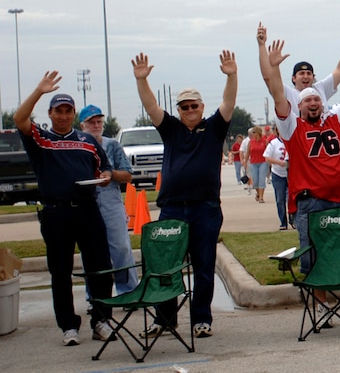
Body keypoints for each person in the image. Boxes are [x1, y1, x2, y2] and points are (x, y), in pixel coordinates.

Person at [261, 28, 340, 321]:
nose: (313, 103)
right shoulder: (291, 127)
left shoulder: (336, 120)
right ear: (298, 106)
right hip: (310, 203)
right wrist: (274, 66)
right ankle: (322, 307)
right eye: (306, 101)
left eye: (316, 99)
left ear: (322, 102)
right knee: (313, 258)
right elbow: (277, 95)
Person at [132, 50, 237, 339]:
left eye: (193, 105)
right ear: (178, 110)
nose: (189, 110)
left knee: (203, 266)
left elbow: (228, 103)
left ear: (202, 107)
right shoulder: (171, 129)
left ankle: (201, 319)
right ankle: (165, 319)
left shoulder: (214, 128)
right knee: (165, 267)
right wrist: (142, 80)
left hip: (205, 209)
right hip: (172, 209)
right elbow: (151, 105)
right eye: (184, 107)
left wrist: (232, 75)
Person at [15, 80, 115, 346]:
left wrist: (104, 177)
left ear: (74, 114)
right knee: (60, 272)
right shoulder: (41, 138)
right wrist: (38, 91)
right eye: (58, 111)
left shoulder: (87, 141)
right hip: (56, 213)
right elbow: (19, 118)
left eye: (68, 111)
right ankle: (68, 326)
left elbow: (103, 168)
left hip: (88, 210)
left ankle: (101, 320)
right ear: (50, 114)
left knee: (101, 267)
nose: (63, 115)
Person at [79, 105, 139, 296]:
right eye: (91, 122)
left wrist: (110, 174)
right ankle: (94, 295)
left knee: (121, 247)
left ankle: (128, 290)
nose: (96, 125)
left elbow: (128, 174)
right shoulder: (78, 145)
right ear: (82, 125)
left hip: (111, 201)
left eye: (99, 122)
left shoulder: (112, 145)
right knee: (90, 252)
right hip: (87, 202)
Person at [256, 21, 340, 111]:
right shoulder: (287, 93)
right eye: (301, 73)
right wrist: (261, 45)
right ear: (294, 78)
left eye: (309, 73)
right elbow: (268, 78)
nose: (306, 76)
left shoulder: (320, 89)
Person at [263, 126, 290, 230]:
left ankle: (293, 219)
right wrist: (279, 163)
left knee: (291, 198)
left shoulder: (291, 140)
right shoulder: (273, 143)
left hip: (290, 174)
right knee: (280, 199)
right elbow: (267, 157)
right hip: (278, 174)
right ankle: (283, 222)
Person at [246, 126, 269, 203]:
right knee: (255, 181)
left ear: (258, 133)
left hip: (263, 162)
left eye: (254, 132)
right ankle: (258, 193)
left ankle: (261, 197)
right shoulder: (251, 142)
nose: (252, 134)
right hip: (253, 163)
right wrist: (245, 162)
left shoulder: (264, 141)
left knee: (261, 179)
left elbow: (268, 152)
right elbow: (248, 153)